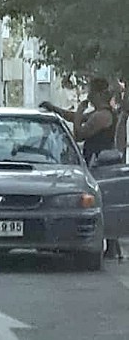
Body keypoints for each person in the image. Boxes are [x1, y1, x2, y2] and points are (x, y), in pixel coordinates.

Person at [41, 77, 122, 259]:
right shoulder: (98, 113)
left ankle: (111, 244)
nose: (89, 95)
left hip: (100, 162)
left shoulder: (103, 116)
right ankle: (112, 246)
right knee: (104, 201)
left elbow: (79, 134)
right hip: (98, 160)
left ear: (100, 93)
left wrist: (79, 111)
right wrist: (55, 109)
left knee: (102, 201)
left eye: (91, 91)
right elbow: (74, 118)